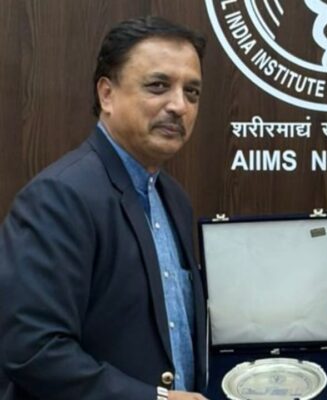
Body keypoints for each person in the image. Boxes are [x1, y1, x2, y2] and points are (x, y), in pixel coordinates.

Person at [0, 16, 209, 400]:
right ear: (107, 94)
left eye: (192, 92)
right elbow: (32, 349)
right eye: (158, 86)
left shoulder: (174, 198)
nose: (179, 106)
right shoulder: (58, 196)